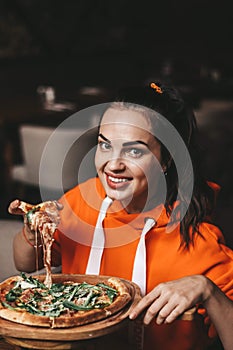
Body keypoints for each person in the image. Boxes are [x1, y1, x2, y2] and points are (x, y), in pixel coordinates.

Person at [9, 82, 233, 349]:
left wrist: (208, 291)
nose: (113, 165)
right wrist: (32, 232)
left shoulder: (198, 243)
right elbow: (25, 263)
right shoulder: (82, 198)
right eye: (105, 146)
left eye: (134, 151)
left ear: (166, 160)